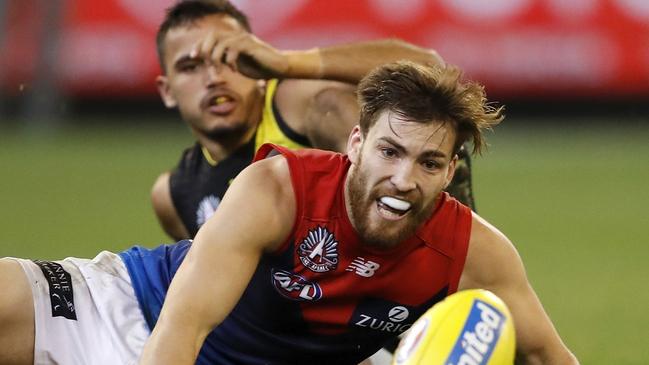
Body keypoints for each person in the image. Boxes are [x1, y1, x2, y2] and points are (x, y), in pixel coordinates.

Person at [0, 61, 579, 365]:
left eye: (429, 162)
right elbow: (184, 327)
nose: (404, 179)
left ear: (451, 173)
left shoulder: (475, 253)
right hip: (135, 310)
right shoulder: (278, 190)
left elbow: (550, 357)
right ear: (354, 143)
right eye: (389, 151)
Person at [150, 0, 477, 241]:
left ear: (256, 65)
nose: (214, 79)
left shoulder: (299, 105)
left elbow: (429, 68)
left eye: (228, 57)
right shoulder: (174, 195)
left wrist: (286, 63)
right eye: (191, 67)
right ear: (167, 91)